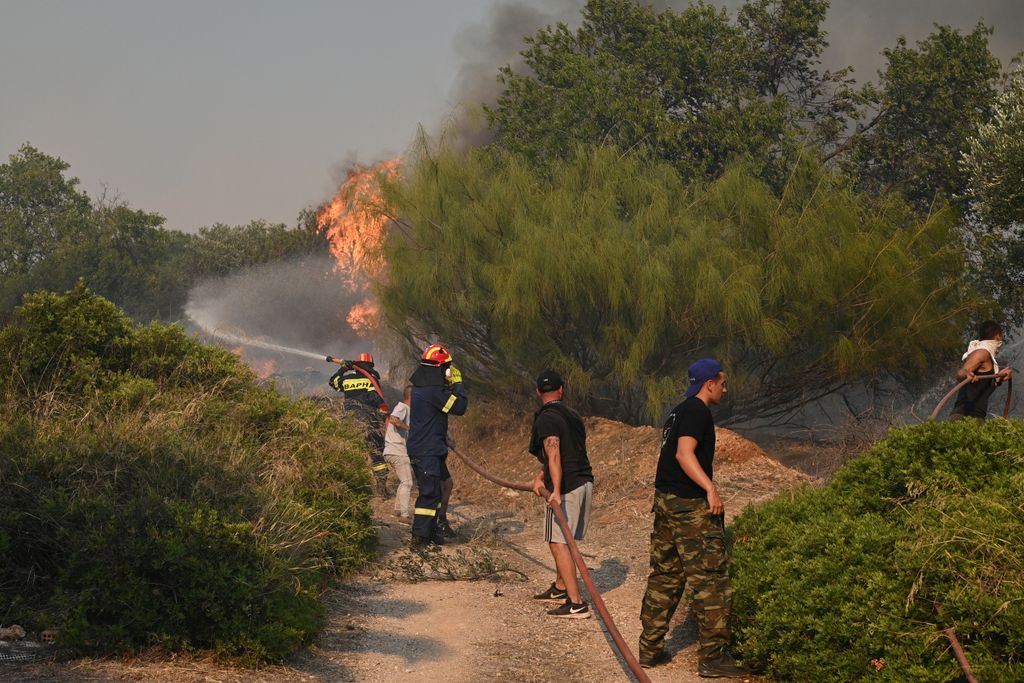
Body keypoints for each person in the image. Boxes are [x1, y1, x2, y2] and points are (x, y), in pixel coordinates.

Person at [638, 358, 750, 678]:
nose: (725, 389)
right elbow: (683, 454)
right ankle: (713, 659)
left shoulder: (677, 411)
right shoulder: (698, 411)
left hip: (665, 503)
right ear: (709, 384)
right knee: (711, 581)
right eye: (722, 383)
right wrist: (710, 489)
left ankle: (650, 648)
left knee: (666, 575)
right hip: (689, 506)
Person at [528, 370, 594, 619]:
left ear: (538, 393)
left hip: (567, 487)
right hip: (584, 481)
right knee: (562, 540)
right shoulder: (573, 415)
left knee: (558, 542)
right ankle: (560, 587)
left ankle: (576, 603)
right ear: (561, 390)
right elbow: (567, 452)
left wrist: (554, 490)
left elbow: (554, 454)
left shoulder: (546, 419)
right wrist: (541, 476)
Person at [407, 343, 467, 547]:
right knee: (430, 493)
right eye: (447, 368)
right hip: (426, 451)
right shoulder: (433, 391)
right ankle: (420, 538)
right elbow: (459, 407)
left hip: (431, 448)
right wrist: (458, 383)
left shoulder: (425, 388)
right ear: (441, 368)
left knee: (443, 486)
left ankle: (432, 531)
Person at [328, 352, 390, 495]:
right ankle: (381, 487)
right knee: (376, 453)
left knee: (350, 453)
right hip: (369, 421)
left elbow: (333, 382)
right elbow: (375, 397)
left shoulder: (347, 379)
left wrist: (343, 369)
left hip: (349, 422)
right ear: (371, 366)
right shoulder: (372, 379)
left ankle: (352, 488)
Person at [951, 320, 1013, 420]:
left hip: (975, 417)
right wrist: (966, 374)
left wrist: (1000, 377)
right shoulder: (982, 352)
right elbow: (960, 373)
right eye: (1002, 335)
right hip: (965, 417)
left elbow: (982, 385)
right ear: (998, 336)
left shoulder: (987, 355)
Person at [383, 384, 414, 522]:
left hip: (391, 450)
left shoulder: (406, 409)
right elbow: (394, 419)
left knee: (403, 481)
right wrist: (410, 429)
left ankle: (397, 509)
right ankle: (404, 515)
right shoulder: (402, 407)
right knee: (407, 482)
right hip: (397, 451)